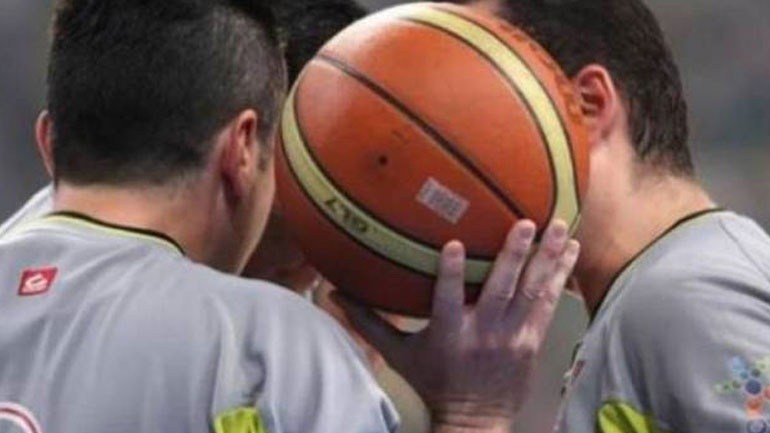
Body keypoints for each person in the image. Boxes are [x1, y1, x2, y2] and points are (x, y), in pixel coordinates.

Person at [0, 1, 581, 433]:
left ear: (50, 142)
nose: (310, 267)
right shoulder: (275, 347)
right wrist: (473, 414)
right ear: (243, 149)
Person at [339, 1, 770, 432]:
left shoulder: (689, 298)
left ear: (586, 104)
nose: (438, 156)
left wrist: (472, 416)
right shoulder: (652, 295)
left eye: (468, 107)